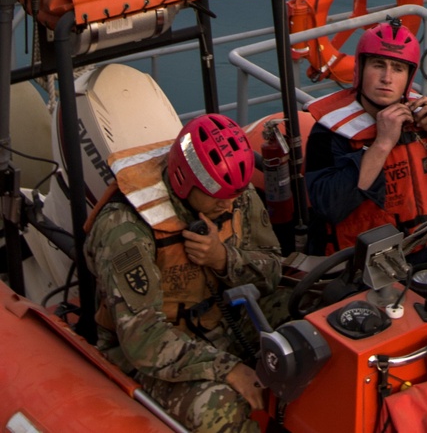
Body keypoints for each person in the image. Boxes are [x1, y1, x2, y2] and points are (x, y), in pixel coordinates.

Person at [304, 18, 427, 353]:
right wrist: (382, 144)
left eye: (397, 68)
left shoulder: (422, 119)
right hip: (362, 265)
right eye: (379, 65)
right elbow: (329, 204)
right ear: (361, 69)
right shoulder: (330, 132)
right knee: (387, 340)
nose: (387, 77)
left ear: (408, 77)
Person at [85, 112, 285, 433]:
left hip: (222, 322)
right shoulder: (125, 229)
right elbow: (143, 338)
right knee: (219, 409)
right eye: (218, 198)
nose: (229, 207)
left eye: (235, 196)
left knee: (304, 327)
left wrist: (224, 259)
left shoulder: (233, 194)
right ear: (184, 181)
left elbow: (273, 268)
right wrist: (228, 369)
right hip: (151, 357)